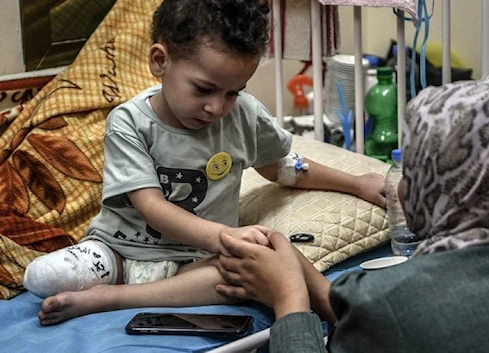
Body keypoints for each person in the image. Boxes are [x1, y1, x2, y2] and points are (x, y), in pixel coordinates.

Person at [22, 0, 386, 326]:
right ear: (160, 61)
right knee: (44, 277)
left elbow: (284, 166)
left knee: (265, 262)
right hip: (120, 251)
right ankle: (116, 282)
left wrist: (358, 184)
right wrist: (225, 235)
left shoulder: (244, 117)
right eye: (203, 89)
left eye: (233, 92)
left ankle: (111, 298)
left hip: (197, 263)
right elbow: (151, 206)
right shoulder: (129, 122)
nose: (217, 108)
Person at [216, 81, 489, 353]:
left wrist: (289, 301)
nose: (399, 188)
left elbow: (399, 313)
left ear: (459, 186)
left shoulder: (402, 303)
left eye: (414, 172)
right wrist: (306, 279)